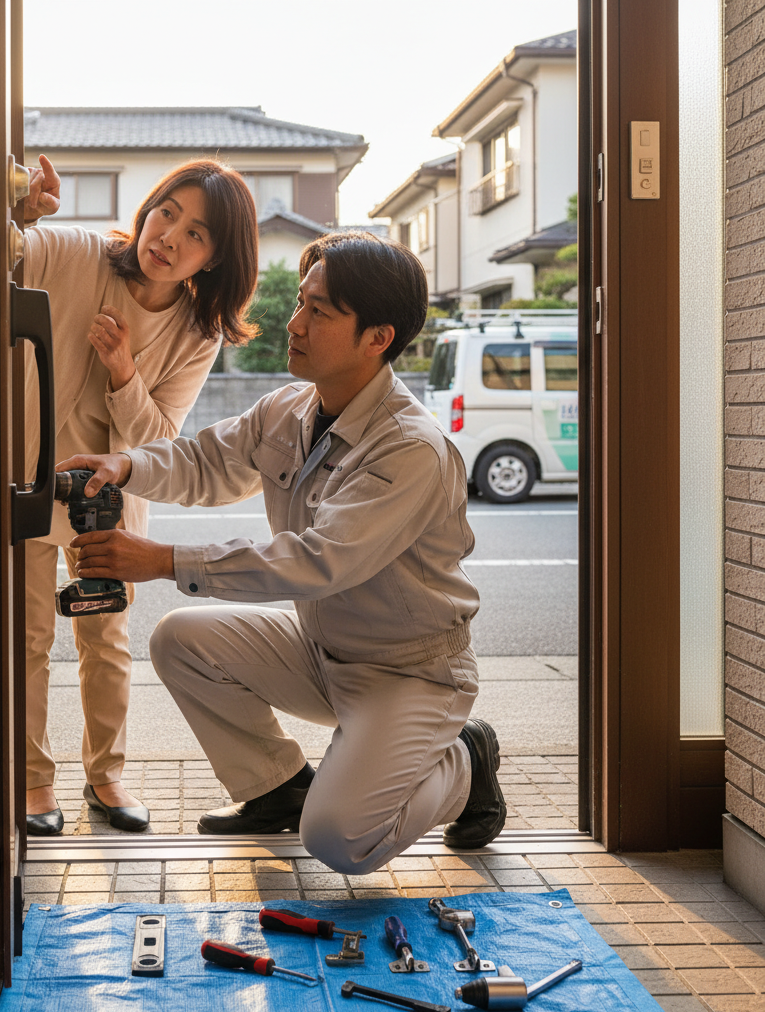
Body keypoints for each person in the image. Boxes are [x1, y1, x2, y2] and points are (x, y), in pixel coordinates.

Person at [56, 231, 507, 873]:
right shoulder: (290, 409)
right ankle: (276, 788)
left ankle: (465, 761)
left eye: (319, 312)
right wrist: (124, 464)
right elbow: (204, 461)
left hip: (408, 674)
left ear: (377, 337)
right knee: (180, 639)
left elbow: (315, 562)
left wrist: (160, 560)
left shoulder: (410, 449)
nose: (294, 323)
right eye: (301, 302)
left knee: (341, 840)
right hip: (323, 650)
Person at [18, 156, 258, 836]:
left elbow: (159, 445)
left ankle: (107, 775)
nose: (170, 237)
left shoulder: (195, 333)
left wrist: (123, 370)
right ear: (147, 210)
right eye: (167, 213)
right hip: (31, 479)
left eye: (197, 234)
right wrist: (20, 214)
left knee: (105, 638)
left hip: (107, 501)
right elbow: (5, 255)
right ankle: (34, 781)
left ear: (214, 259)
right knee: (29, 640)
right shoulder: (77, 252)